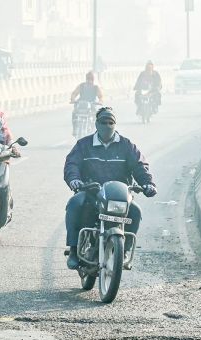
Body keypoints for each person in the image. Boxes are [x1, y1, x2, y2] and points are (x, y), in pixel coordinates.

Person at [63, 107, 158, 269]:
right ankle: (73, 249)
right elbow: (72, 165)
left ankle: (125, 250)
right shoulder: (83, 144)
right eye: (103, 122)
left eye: (110, 122)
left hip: (119, 194)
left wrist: (148, 183)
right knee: (74, 204)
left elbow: (140, 166)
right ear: (96, 124)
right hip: (91, 191)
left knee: (135, 211)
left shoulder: (127, 146)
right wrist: (74, 180)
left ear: (115, 124)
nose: (107, 125)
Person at [70, 71, 104, 136]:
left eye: (91, 79)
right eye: (88, 79)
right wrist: (73, 99)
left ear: (93, 80)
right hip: (81, 105)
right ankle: (75, 129)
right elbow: (74, 93)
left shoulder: (96, 88)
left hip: (92, 105)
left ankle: (94, 130)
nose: (89, 81)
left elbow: (100, 96)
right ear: (86, 79)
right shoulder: (81, 86)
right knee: (74, 113)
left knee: (96, 116)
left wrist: (100, 101)